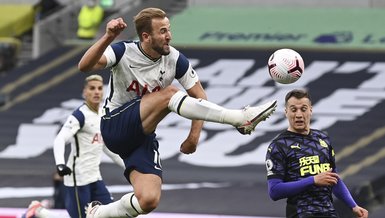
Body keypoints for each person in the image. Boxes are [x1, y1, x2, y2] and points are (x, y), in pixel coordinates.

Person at [78, 7, 277, 217]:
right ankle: (239, 118)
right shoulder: (123, 51)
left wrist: (194, 136)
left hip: (141, 137)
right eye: (162, 31)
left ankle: (98, 214)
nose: (169, 36)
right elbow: (85, 66)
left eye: (168, 29)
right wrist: (109, 36)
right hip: (114, 125)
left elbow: (199, 95)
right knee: (168, 94)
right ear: (146, 36)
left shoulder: (174, 59)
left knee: (148, 200)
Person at [24, 74, 125, 218]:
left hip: (95, 177)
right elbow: (60, 139)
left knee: (111, 215)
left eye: (99, 88)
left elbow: (105, 146)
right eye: (92, 88)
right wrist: (60, 164)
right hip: (78, 179)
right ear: (85, 92)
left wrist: (128, 166)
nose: (96, 92)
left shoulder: (103, 114)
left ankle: (39, 211)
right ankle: (39, 212)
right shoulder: (80, 115)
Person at [265, 89, 368, 218]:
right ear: (286, 112)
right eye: (293, 109)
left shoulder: (322, 139)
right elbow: (274, 191)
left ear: (311, 110)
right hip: (301, 213)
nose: (298, 115)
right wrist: (313, 180)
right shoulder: (278, 145)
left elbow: (333, 178)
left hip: (328, 212)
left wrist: (353, 205)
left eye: (303, 109)